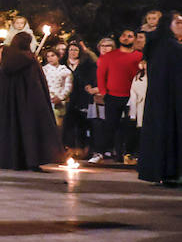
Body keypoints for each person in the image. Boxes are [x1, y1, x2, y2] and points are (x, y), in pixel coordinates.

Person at [0, 33, 65, 170]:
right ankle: (31, 159)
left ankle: (10, 159)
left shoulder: (6, 60)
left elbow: (4, 86)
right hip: (29, 103)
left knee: (12, 128)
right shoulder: (30, 60)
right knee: (30, 129)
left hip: (10, 105)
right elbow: (36, 84)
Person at [138, 12, 182, 185]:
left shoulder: (162, 46)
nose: (181, 25)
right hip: (170, 101)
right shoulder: (171, 48)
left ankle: (166, 172)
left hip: (163, 101)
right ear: (167, 25)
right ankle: (170, 172)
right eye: (178, 22)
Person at [94, 29, 142, 163]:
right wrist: (104, 92)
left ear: (135, 39)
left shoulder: (139, 56)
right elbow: (101, 75)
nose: (126, 38)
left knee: (131, 126)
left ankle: (128, 153)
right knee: (110, 125)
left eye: (130, 36)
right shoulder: (109, 56)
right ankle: (101, 152)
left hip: (132, 97)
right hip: (112, 96)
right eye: (124, 36)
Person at [63, 40, 96, 154]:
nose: (73, 52)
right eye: (71, 49)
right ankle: (68, 147)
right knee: (67, 124)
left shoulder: (86, 65)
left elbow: (89, 79)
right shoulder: (63, 64)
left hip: (82, 98)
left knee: (82, 123)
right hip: (67, 98)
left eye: (76, 50)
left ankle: (82, 148)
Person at [42, 47, 73, 129]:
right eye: (48, 56)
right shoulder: (43, 70)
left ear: (58, 57)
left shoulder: (65, 70)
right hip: (46, 100)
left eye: (52, 55)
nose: (50, 58)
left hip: (59, 101)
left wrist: (60, 97)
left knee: (58, 126)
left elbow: (68, 86)